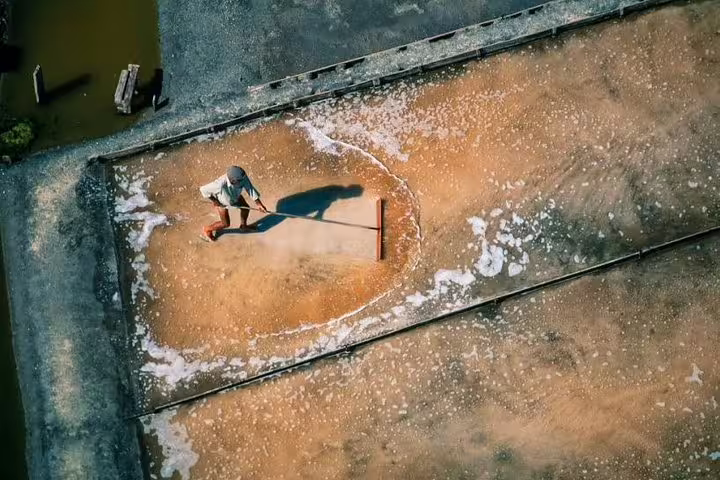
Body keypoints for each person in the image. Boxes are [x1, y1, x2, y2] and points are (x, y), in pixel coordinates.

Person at [199, 166, 269, 241]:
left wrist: (259, 204)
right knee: (225, 224)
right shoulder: (219, 184)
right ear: (232, 181)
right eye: (240, 181)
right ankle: (207, 229)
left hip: (236, 196)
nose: (243, 182)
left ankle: (243, 226)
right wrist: (215, 201)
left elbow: (250, 189)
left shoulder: (242, 177)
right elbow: (203, 189)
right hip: (222, 202)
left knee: (245, 209)